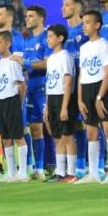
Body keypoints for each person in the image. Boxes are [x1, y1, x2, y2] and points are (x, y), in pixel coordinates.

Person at [76, 10, 108, 184]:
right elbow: (82, 74)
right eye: (83, 22)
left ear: (97, 25)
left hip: (101, 89)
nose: (84, 26)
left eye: (87, 22)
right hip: (86, 89)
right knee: (91, 133)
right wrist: (79, 99)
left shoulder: (103, 45)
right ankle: (93, 174)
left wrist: (100, 97)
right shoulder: (83, 48)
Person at [44, 24, 77, 183]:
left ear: (60, 38)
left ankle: (71, 173)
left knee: (67, 135)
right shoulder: (51, 58)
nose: (48, 40)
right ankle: (60, 172)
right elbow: (49, 82)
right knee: (57, 136)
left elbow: (68, 82)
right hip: (52, 98)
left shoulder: (65, 57)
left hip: (63, 98)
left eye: (51, 36)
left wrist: (64, 107)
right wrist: (46, 106)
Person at [0, 31, 28, 182]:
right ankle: (11, 172)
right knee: (6, 138)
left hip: (11, 100)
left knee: (18, 136)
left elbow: (22, 85)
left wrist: (18, 103)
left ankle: (23, 173)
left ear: (7, 43)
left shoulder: (13, 62)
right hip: (0, 100)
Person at [62, 0, 89, 173]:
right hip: (68, 86)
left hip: (85, 82)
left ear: (77, 8)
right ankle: (79, 162)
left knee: (89, 122)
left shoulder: (84, 30)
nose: (62, 8)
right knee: (74, 123)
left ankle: (97, 162)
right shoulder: (63, 34)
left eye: (67, 5)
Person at [23, 6, 50, 176]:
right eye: (26, 16)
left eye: (31, 16)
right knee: (34, 128)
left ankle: (69, 166)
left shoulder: (47, 37)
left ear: (40, 19)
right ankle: (37, 168)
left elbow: (48, 63)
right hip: (30, 88)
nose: (27, 19)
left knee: (51, 126)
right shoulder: (28, 41)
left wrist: (25, 63)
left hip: (44, 87)